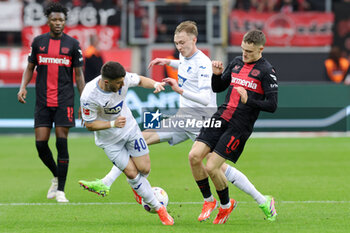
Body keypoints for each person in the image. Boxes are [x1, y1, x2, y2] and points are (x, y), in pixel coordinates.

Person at [79, 22, 276, 224]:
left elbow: (204, 97)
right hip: (183, 118)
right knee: (142, 137)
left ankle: (261, 199)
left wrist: (179, 90)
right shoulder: (184, 56)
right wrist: (166, 61)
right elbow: (183, 65)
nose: (179, 47)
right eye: (176, 43)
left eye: (182, 43)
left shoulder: (203, 64)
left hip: (201, 118)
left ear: (194, 40)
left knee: (216, 167)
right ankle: (107, 182)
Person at [188, 29, 278, 224]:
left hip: (239, 126)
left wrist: (249, 101)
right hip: (221, 116)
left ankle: (226, 206)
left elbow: (272, 105)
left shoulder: (266, 71)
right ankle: (209, 201)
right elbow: (218, 87)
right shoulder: (236, 62)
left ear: (260, 49)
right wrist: (216, 75)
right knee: (194, 157)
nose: (245, 54)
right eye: (243, 50)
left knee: (213, 166)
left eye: (250, 52)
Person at [80, 61, 174, 225]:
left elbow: (140, 80)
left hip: (130, 130)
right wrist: (112, 124)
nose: (123, 84)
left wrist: (155, 84)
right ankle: (160, 209)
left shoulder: (122, 79)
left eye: (123, 81)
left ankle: (127, 185)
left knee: (144, 169)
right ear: (107, 82)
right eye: (119, 83)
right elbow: (89, 124)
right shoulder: (89, 95)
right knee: (132, 173)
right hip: (109, 141)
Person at [17, 2, 85, 203]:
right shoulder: (38, 42)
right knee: (41, 144)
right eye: (54, 19)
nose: (58, 23)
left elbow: (79, 75)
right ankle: (56, 176)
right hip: (43, 100)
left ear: (65, 22)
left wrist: (84, 101)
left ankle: (61, 191)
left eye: (61, 20)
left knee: (61, 142)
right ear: (48, 20)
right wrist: (23, 87)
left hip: (65, 100)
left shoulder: (72, 45)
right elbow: (30, 67)